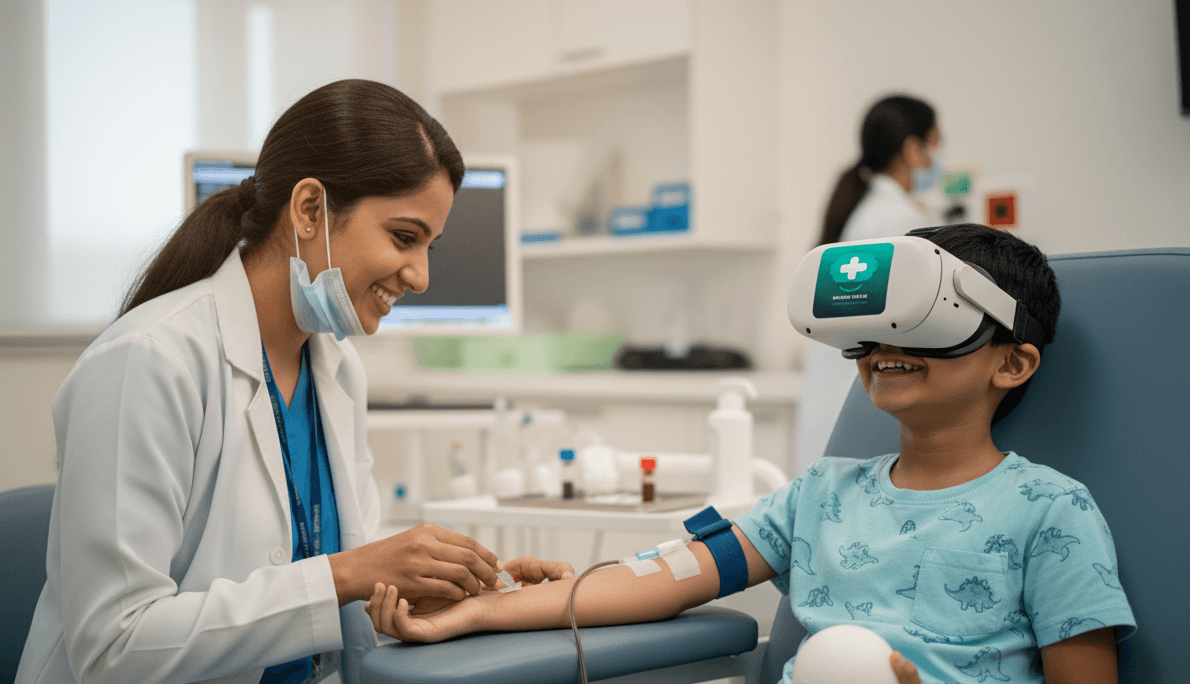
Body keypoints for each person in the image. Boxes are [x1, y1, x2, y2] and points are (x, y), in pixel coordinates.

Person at [362, 225, 1136, 684]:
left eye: (923, 322)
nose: (885, 346)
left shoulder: (1049, 512)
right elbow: (664, 579)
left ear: (1012, 363)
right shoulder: (821, 494)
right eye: (874, 325)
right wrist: (479, 610)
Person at [15, 79, 570, 684]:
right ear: (309, 210)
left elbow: (329, 600)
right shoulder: (149, 361)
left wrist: (450, 595)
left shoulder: (337, 371)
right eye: (404, 237)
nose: (421, 276)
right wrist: (348, 574)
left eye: (430, 247)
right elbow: (112, 647)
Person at [797, 94, 943, 474]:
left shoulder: (864, 212)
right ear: (912, 149)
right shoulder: (898, 219)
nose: (935, 162)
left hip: (836, 405)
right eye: (933, 147)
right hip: (863, 404)